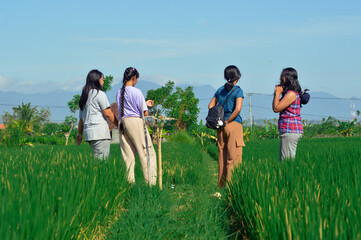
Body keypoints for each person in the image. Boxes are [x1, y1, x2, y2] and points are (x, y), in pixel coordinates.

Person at [116, 67, 157, 185]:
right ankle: (151, 183)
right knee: (147, 153)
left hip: (123, 122)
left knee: (128, 157)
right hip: (136, 122)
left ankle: (129, 184)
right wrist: (146, 106)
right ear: (134, 78)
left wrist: (145, 103)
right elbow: (145, 113)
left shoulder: (119, 92)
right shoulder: (137, 91)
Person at [208, 65, 245, 188]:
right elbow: (238, 109)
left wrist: (220, 120)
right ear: (237, 76)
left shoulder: (219, 90)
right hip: (233, 125)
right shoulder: (238, 90)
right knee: (233, 159)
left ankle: (221, 188)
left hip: (220, 127)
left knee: (222, 159)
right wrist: (228, 120)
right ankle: (231, 189)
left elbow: (210, 106)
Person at [76, 69, 118, 159]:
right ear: (97, 80)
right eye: (102, 79)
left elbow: (81, 119)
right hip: (100, 133)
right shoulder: (99, 94)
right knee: (103, 161)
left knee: (99, 158)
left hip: (89, 134)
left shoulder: (85, 96)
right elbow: (108, 113)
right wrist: (119, 125)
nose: (103, 82)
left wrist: (79, 134)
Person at [272, 67, 303, 161]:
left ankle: (289, 176)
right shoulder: (289, 94)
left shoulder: (291, 94)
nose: (280, 78)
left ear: (287, 78)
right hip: (289, 130)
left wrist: (277, 93)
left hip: (290, 130)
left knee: (286, 161)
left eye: (282, 76)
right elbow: (276, 106)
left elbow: (276, 108)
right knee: (286, 160)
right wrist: (276, 94)